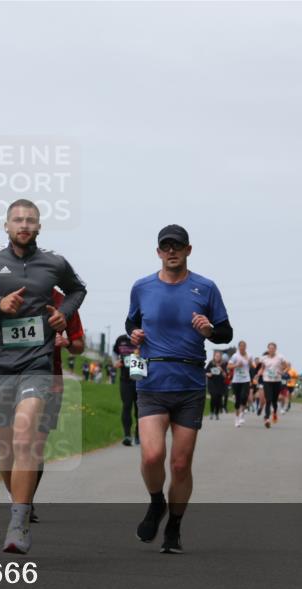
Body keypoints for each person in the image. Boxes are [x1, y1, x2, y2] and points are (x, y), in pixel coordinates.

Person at [0, 198, 87, 554]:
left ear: (39, 227)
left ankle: (17, 521)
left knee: (26, 433)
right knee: (4, 451)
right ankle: (21, 509)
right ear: (6, 226)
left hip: (37, 363)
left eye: (30, 220)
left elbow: (78, 289)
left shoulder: (54, 263)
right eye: (18, 220)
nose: (24, 225)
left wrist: (63, 314)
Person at [126, 224, 232, 554]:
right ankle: (157, 502)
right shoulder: (142, 287)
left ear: (188, 250)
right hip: (152, 381)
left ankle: (173, 526)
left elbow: (225, 334)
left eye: (178, 246)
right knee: (153, 454)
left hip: (189, 384)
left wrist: (209, 329)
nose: (171, 251)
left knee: (181, 465)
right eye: (165, 246)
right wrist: (135, 336)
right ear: (158, 252)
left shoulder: (206, 288)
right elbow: (132, 322)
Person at [30, 288, 85, 523]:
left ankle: (24, 502)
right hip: (11, 378)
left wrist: (67, 342)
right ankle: (18, 496)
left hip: (50, 382)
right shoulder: (12, 293)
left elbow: (79, 345)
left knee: (35, 446)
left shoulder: (63, 302)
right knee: (11, 446)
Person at [113, 333, 140, 446]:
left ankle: (139, 435)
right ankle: (127, 436)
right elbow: (115, 351)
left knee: (139, 408)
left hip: (140, 379)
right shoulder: (121, 339)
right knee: (127, 405)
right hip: (125, 379)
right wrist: (115, 361)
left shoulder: (143, 338)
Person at [254, 343, 287, 428]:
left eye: (273, 348)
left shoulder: (280, 357)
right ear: (268, 349)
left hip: (277, 381)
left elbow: (285, 366)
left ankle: (275, 413)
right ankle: (267, 418)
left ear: (275, 349)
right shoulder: (264, 358)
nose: (271, 350)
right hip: (267, 381)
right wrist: (258, 374)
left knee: (274, 401)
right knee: (268, 400)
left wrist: (282, 371)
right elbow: (262, 368)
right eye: (270, 348)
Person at [227, 340, 252, 427]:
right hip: (236, 380)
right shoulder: (235, 356)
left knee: (244, 397)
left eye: (244, 346)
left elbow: (252, 366)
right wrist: (236, 365)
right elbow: (229, 366)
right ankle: (237, 419)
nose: (242, 348)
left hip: (246, 379)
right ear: (239, 347)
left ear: (246, 347)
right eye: (241, 346)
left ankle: (242, 415)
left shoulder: (249, 356)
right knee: (238, 400)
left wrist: (249, 362)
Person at [205, 350, 227, 420]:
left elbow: (226, 376)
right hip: (212, 383)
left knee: (218, 399)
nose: (217, 357)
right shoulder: (211, 363)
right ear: (214, 357)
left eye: (219, 356)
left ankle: (217, 413)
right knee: (213, 398)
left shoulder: (224, 364)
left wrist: (222, 370)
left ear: (221, 357)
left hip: (220, 384)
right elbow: (205, 372)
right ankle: (211, 412)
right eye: (216, 356)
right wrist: (209, 374)